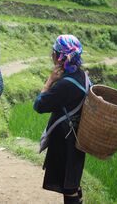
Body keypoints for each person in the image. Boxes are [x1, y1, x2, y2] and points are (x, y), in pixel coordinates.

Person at [33, 35, 91, 204]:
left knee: (69, 188)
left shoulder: (64, 84)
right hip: (76, 138)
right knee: (72, 183)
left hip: (65, 142)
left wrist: (49, 81)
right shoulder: (82, 76)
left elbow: (39, 105)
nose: (51, 55)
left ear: (59, 57)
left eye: (53, 52)